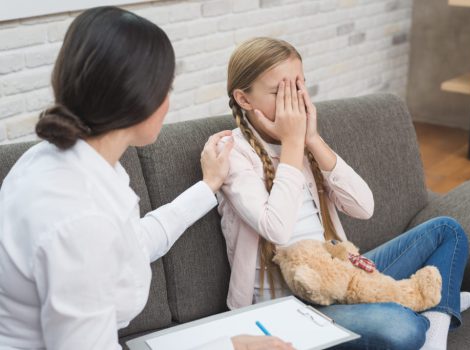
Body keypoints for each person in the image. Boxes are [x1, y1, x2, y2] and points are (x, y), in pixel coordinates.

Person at [0, 8, 293, 350]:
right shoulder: (79, 219)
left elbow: (132, 243)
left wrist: (207, 186)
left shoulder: (53, 160)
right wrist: (229, 347)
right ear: (139, 99)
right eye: (166, 88)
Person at [216, 37, 470, 350]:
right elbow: (276, 228)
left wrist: (312, 140)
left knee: (448, 230)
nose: (294, 102)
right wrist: (293, 143)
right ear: (244, 100)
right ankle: (429, 305)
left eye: (298, 87)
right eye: (279, 92)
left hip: (341, 275)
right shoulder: (232, 154)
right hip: (295, 309)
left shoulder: (306, 144)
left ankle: (436, 323)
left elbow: (364, 207)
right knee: (401, 329)